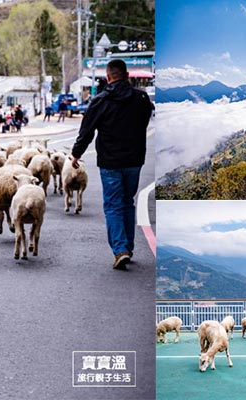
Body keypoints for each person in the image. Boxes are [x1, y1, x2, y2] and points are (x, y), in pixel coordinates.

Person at [70, 59, 152, 270]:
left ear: (108, 77)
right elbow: (145, 120)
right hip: (134, 160)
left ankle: (120, 249)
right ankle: (128, 246)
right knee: (127, 201)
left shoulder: (100, 101)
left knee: (113, 204)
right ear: (126, 75)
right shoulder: (141, 98)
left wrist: (76, 154)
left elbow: (86, 130)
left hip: (110, 161)